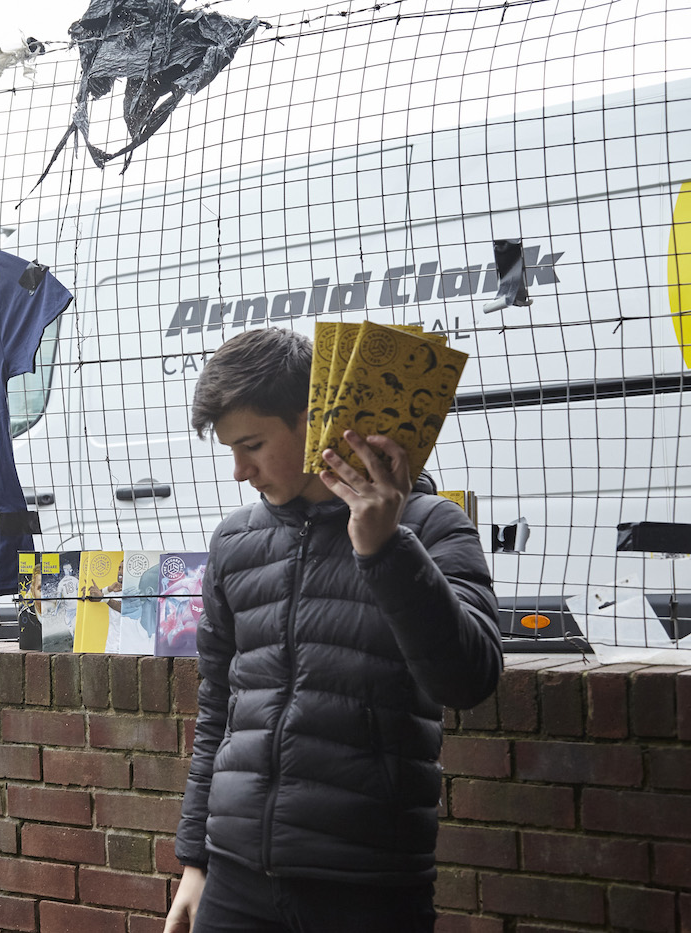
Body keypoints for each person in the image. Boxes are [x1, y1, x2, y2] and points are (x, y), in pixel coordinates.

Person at [166, 328, 502, 933]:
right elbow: (217, 703)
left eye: (252, 445)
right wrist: (195, 861)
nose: (240, 471)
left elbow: (469, 679)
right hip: (235, 881)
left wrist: (386, 550)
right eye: (230, 451)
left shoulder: (429, 527)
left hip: (367, 888)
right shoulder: (235, 542)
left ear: (312, 419)